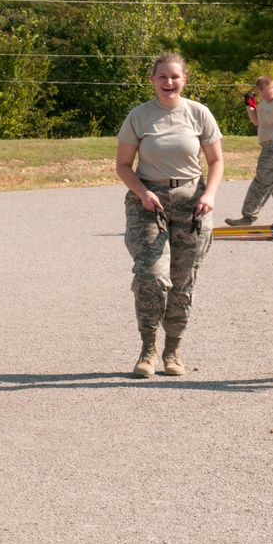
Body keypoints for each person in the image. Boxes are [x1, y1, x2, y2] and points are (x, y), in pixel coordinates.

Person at [115, 53, 224, 378]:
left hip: (192, 204)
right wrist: (143, 192)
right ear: (153, 80)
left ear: (184, 80)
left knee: (182, 281)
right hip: (149, 203)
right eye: (162, 77)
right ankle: (147, 350)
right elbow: (122, 165)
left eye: (174, 77)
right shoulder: (139, 117)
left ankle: (172, 350)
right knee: (150, 275)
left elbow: (216, 162)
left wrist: (209, 195)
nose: (169, 83)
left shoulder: (199, 114)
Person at [225, 76, 273, 226]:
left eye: (267, 94)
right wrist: (249, 105)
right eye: (262, 95)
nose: (265, 97)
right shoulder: (265, 103)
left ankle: (248, 217)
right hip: (269, 148)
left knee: (261, 182)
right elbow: (256, 121)